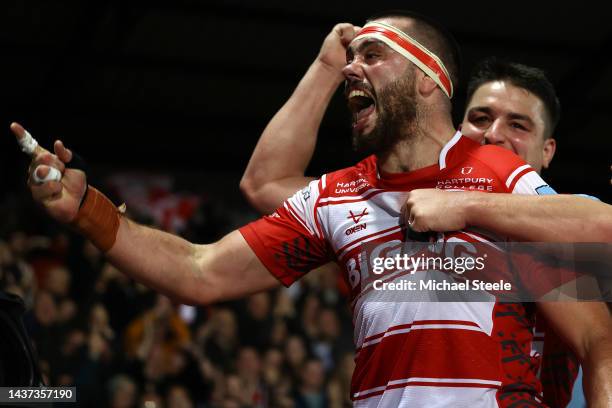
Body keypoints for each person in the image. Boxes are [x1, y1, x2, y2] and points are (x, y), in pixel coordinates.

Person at [12, 10, 612, 407]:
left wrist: (463, 207)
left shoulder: (502, 178)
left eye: (372, 55)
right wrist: (86, 209)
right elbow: (200, 272)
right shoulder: (335, 195)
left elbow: (599, 320)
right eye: (353, 58)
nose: (353, 66)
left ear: (430, 80)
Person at [241, 36, 612, 404]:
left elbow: (599, 340)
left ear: (548, 151)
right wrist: (326, 69)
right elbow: (265, 184)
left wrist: (466, 205)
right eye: (480, 118)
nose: (493, 135)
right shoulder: (389, 199)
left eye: (519, 126)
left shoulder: (565, 222)